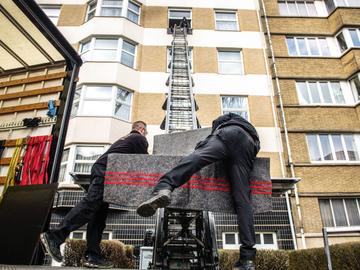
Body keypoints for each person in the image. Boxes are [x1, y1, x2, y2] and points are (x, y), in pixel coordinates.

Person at [137, 113, 260, 270]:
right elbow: (255, 149)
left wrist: (208, 141)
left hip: (227, 134)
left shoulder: (229, 119)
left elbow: (218, 121)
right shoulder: (250, 128)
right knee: (243, 199)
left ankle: (165, 186)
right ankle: (247, 259)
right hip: (248, 145)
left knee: (196, 158)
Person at [41, 121, 148, 268]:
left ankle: (92, 255)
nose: (146, 135)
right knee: (90, 204)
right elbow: (146, 163)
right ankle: (55, 236)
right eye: (146, 132)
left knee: (98, 216)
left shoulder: (125, 139)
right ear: (141, 129)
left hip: (104, 169)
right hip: (106, 171)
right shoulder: (139, 138)